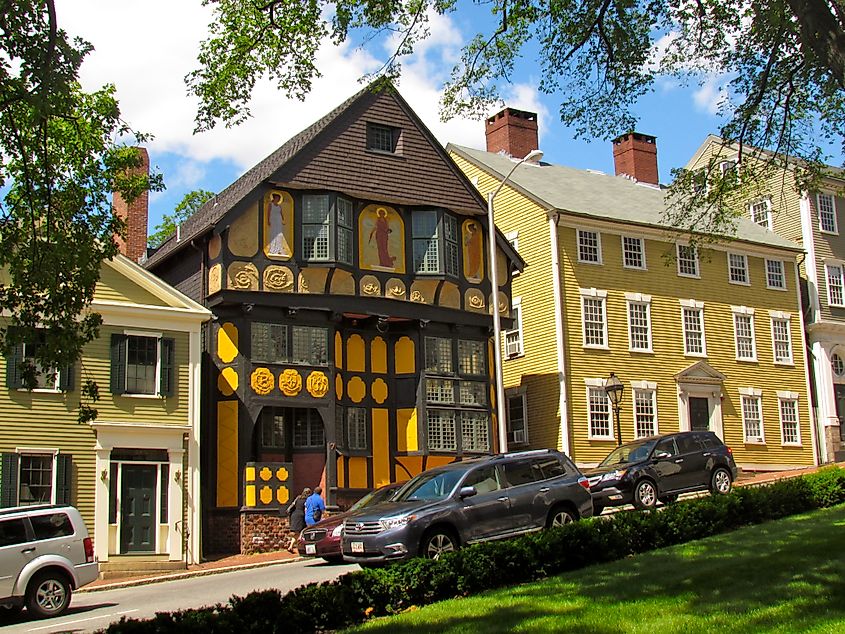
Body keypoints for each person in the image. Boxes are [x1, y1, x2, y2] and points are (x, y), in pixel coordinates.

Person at [285, 487, 310, 552]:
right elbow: (306, 509)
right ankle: (301, 546)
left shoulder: (298, 498)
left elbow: (292, 505)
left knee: (296, 533)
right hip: (301, 516)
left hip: (294, 515)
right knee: (302, 531)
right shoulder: (307, 500)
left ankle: (291, 547)